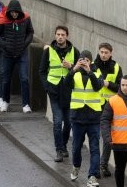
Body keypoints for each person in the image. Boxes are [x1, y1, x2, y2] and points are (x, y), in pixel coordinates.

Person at [68, 50, 105, 186]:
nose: (84, 63)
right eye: (82, 60)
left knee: (94, 148)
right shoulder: (75, 73)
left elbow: (97, 87)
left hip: (93, 118)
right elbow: (66, 84)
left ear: (90, 61)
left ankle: (92, 176)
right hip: (77, 118)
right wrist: (73, 69)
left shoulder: (96, 73)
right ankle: (76, 166)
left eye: (87, 60)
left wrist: (89, 72)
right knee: (76, 147)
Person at [42, 25, 78, 163]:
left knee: (68, 123)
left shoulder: (74, 52)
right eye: (58, 34)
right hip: (54, 91)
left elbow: (81, 71)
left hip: (68, 92)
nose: (60, 37)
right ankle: (59, 150)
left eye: (63, 34)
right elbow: (42, 71)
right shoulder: (49, 51)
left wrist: (72, 67)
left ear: (67, 36)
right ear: (55, 35)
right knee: (57, 122)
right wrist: (47, 87)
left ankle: (63, 145)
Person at [0, 0, 34, 113]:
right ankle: (5, 101)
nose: (14, 14)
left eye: (16, 12)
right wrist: (4, 44)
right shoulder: (3, 20)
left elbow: (30, 32)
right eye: (12, 12)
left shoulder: (26, 19)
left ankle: (26, 104)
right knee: (6, 79)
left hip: (21, 53)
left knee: (24, 78)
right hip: (7, 54)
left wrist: (25, 44)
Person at [94, 43, 124, 178]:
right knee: (95, 138)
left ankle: (103, 165)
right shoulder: (93, 66)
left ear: (111, 53)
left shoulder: (117, 67)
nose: (103, 55)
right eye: (101, 52)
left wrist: (108, 84)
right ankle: (96, 167)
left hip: (111, 107)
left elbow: (120, 88)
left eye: (106, 52)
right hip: (94, 106)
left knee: (107, 138)